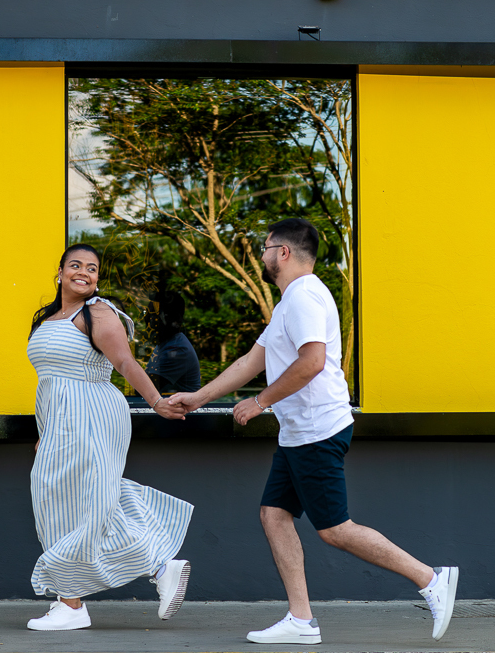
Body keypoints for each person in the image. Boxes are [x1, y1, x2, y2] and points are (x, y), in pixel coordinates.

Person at [170, 218, 459, 644]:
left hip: (317, 430)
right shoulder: (291, 302)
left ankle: (430, 579)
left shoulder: (304, 296)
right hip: (298, 433)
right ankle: (301, 621)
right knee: (274, 514)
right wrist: (199, 397)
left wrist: (260, 402)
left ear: (282, 252)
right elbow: (251, 361)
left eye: (266, 246)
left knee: (335, 529)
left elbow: (312, 362)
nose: (262, 253)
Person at [25, 243, 193, 631]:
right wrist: (45, 430)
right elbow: (48, 383)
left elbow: (124, 361)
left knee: (88, 497)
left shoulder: (97, 312)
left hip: (92, 412)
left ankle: (73, 604)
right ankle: (153, 567)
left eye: (93, 268)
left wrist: (156, 401)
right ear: (61, 272)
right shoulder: (49, 317)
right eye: (76, 265)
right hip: (61, 420)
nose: (85, 272)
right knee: (65, 499)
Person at [145, 290, 202, 394]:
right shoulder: (166, 344)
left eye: (153, 315)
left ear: (170, 319)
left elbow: (144, 390)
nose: (147, 320)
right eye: (147, 314)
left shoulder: (177, 349)